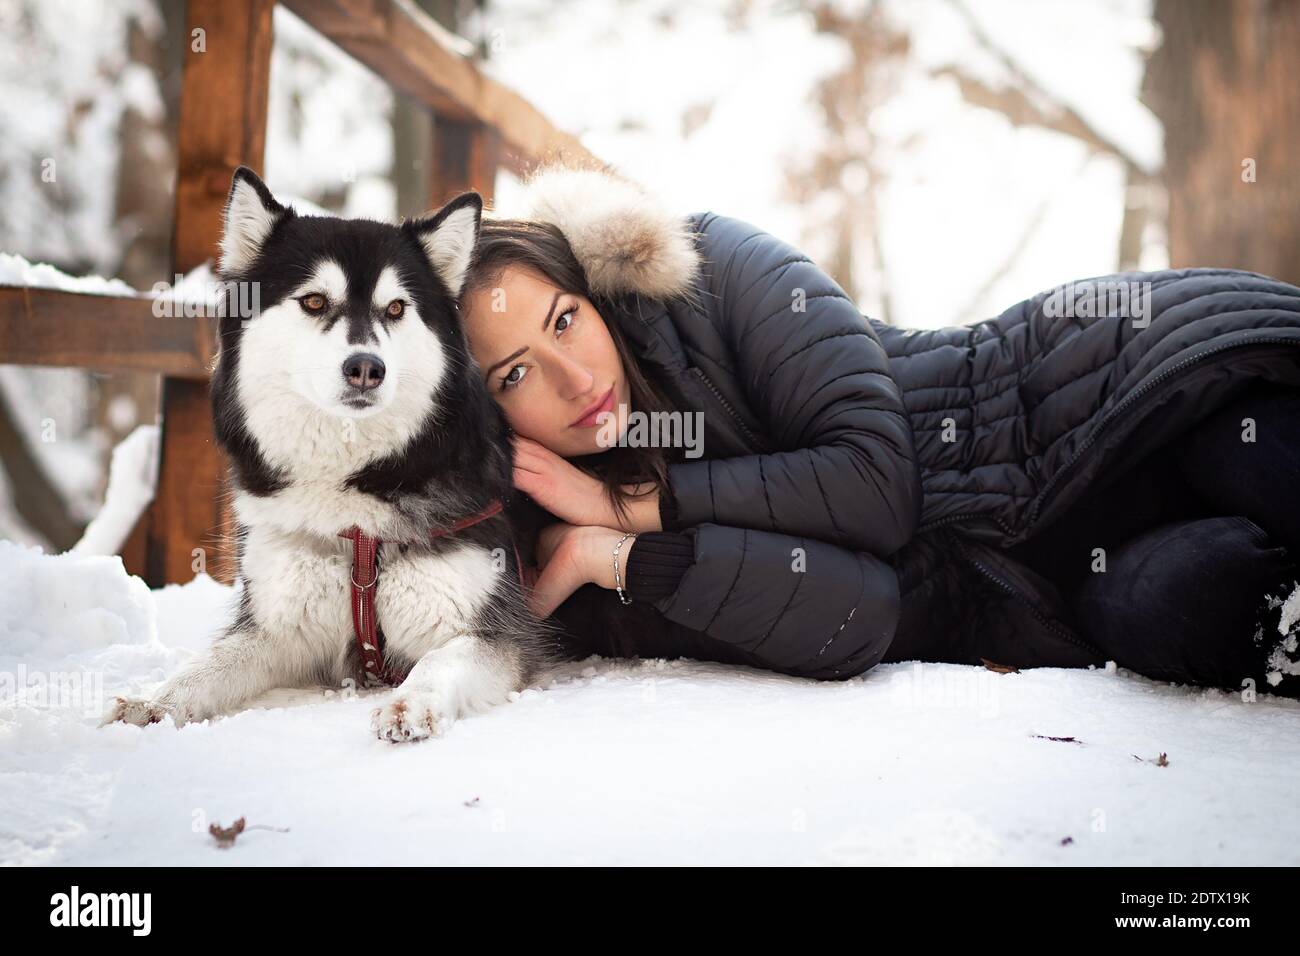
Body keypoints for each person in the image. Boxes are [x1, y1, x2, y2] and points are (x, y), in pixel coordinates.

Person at [456, 162, 1300, 696]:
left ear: (591, 294)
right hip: (1059, 588)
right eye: (517, 374)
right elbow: (861, 611)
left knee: (1253, 456)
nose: (572, 379)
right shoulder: (577, 566)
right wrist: (614, 554)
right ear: (492, 420)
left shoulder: (712, 275)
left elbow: (875, 485)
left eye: (564, 320)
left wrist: (636, 503)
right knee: (1188, 603)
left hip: (1104, 399)